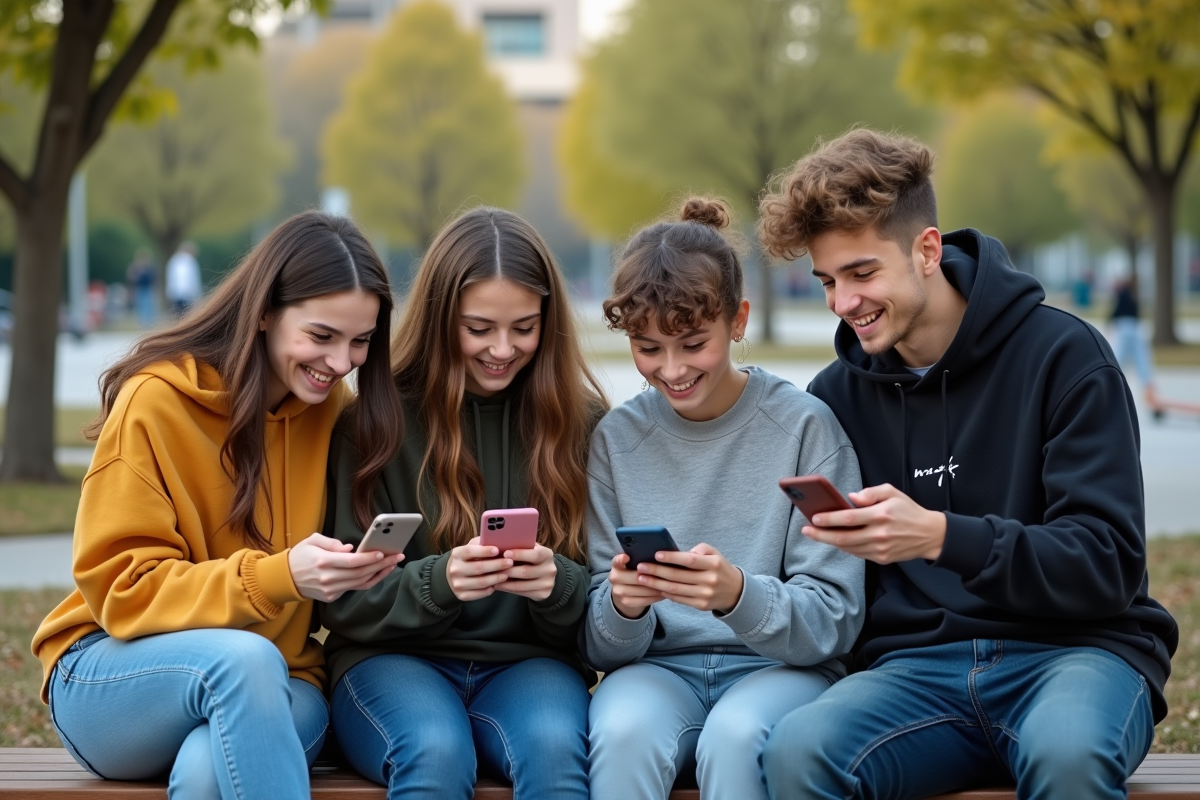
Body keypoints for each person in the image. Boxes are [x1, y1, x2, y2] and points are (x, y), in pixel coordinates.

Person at [756, 129, 1177, 800]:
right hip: (913, 674)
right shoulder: (834, 396)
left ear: (927, 250)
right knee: (799, 753)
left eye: (862, 273)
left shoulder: (1065, 357)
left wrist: (940, 537)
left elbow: (1106, 564)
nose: (842, 303)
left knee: (1067, 756)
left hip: (1077, 655)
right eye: (828, 281)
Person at [32, 210, 405, 800]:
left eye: (360, 342)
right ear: (264, 313)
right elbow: (123, 592)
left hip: (283, 683)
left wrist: (355, 571)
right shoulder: (157, 402)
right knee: (246, 661)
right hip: (116, 676)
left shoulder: (331, 411)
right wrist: (281, 576)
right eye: (321, 336)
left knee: (212, 768)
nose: (340, 363)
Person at [320, 206, 607, 800]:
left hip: (531, 666)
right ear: (439, 317)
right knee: (433, 750)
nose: (503, 349)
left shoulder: (583, 424)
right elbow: (339, 599)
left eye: (524, 327)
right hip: (389, 661)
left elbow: (610, 598)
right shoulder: (376, 420)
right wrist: (440, 580)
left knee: (557, 751)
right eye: (479, 328)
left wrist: (558, 583)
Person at [584, 198, 865, 800]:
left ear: (737, 320)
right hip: (657, 672)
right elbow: (598, 639)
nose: (671, 368)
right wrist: (623, 607)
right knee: (622, 732)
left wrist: (737, 594)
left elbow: (836, 619)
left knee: (737, 740)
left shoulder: (806, 428)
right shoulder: (616, 440)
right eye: (648, 346)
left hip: (783, 670)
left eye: (692, 343)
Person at [1110, 274, 1161, 414]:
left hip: (1123, 327)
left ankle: (1111, 389)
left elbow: (1116, 310)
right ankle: (1150, 393)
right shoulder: (1135, 294)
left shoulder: (1123, 294)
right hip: (1135, 327)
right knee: (1142, 361)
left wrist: (1109, 322)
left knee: (1118, 360)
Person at [165, 241, 202, 316]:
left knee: (178, 314)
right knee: (185, 314)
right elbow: (193, 279)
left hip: (177, 292)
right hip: (185, 293)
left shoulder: (173, 260)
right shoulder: (190, 261)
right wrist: (197, 293)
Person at [127, 248, 158, 327]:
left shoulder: (150, 267)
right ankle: (141, 321)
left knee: (148, 305)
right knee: (140, 305)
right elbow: (131, 277)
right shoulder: (135, 267)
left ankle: (149, 321)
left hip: (148, 288)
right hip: (139, 288)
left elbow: (154, 277)